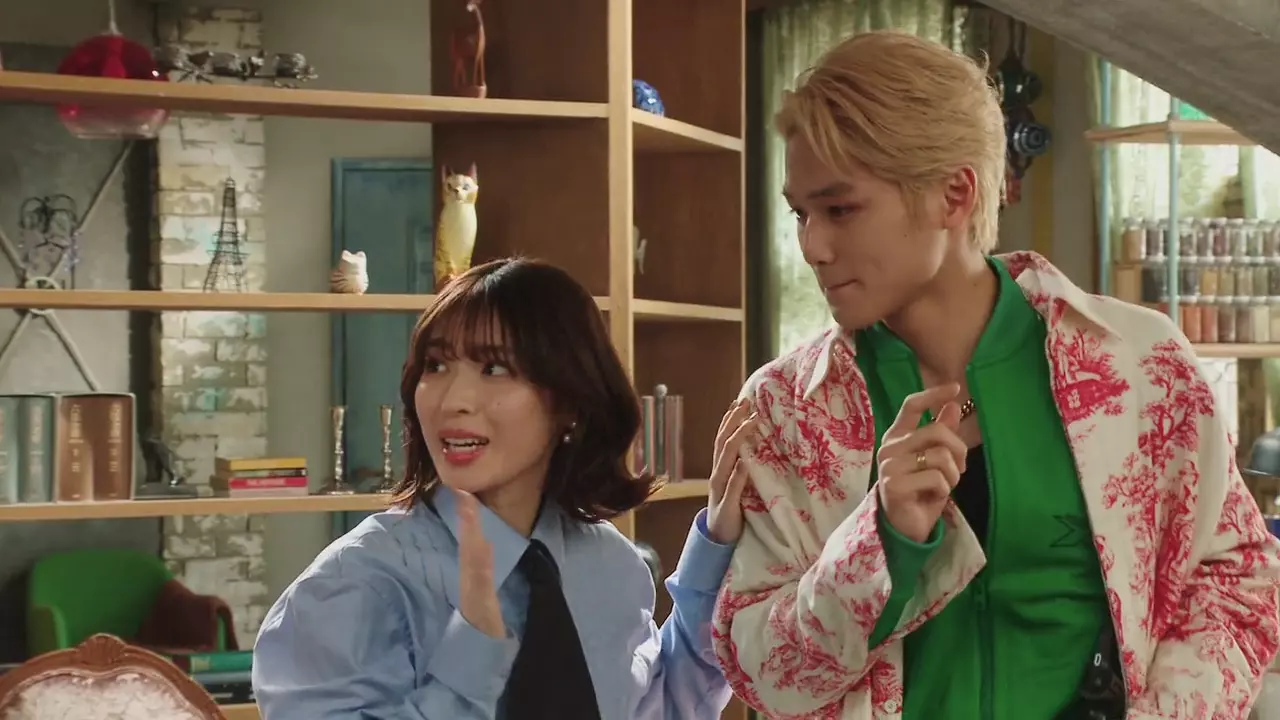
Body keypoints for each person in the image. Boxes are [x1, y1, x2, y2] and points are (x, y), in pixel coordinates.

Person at [711, 29, 1280, 720]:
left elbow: (1237, 583)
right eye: (800, 213)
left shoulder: (1140, 366)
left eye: (840, 209)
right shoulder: (783, 410)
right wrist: (879, 543)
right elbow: (759, 674)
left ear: (954, 194)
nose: (812, 246)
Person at [253, 257, 753, 719]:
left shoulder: (609, 566)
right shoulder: (353, 587)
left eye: (494, 369)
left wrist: (715, 546)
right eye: (436, 365)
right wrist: (473, 648)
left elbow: (662, 706)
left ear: (569, 403)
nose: (454, 400)